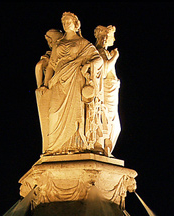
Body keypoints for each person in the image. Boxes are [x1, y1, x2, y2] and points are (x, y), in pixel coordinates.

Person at [36, 12, 103, 155]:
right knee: (53, 113)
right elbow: (51, 66)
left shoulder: (84, 44)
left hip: (75, 82)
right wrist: (45, 85)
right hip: (58, 83)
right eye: (64, 22)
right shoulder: (58, 45)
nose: (66, 24)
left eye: (69, 21)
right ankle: (55, 147)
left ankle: (75, 146)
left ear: (76, 24)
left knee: (75, 116)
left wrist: (87, 65)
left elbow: (99, 60)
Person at [93, 25, 120, 156]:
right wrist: (115, 57)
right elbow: (104, 71)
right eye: (101, 36)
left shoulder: (105, 52)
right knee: (108, 120)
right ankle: (103, 147)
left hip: (111, 89)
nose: (104, 39)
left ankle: (105, 148)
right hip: (106, 89)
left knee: (112, 122)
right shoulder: (100, 52)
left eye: (106, 37)